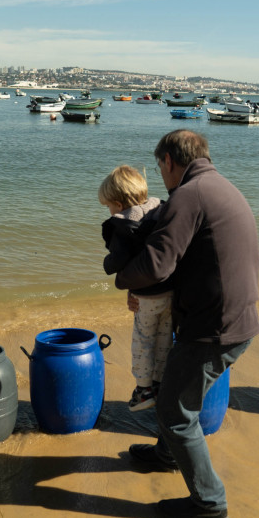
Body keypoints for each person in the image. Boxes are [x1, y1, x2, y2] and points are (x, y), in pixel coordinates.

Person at [116, 129, 259, 518]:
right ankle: (167, 455)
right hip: (234, 317)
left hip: (215, 326)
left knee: (176, 412)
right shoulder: (218, 186)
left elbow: (156, 263)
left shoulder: (189, 194)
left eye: (161, 167)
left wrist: (121, 277)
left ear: (168, 161)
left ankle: (209, 504)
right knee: (174, 396)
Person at [99, 164, 172, 411]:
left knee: (142, 340)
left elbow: (119, 259)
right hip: (169, 292)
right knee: (164, 338)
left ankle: (143, 389)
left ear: (119, 205)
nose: (109, 211)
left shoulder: (124, 225)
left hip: (146, 298)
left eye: (109, 206)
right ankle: (160, 384)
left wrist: (107, 264)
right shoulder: (160, 211)